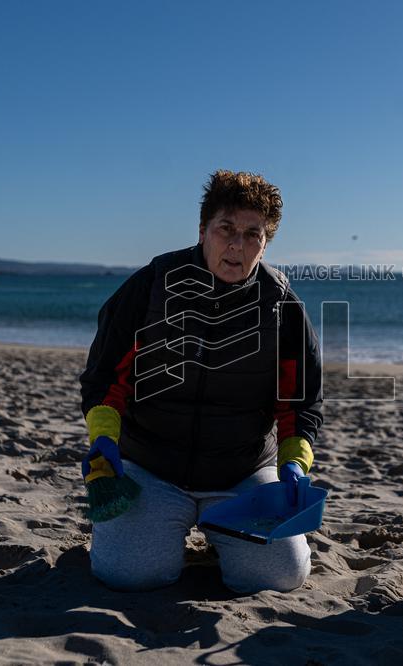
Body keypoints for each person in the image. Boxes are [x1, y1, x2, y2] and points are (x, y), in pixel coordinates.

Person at [79, 170, 323, 593]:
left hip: (241, 474)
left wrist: (295, 463)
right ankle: (155, 532)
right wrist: (103, 440)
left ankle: (221, 536)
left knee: (281, 575)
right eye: (225, 229)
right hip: (152, 467)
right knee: (128, 574)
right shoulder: (152, 286)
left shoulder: (282, 304)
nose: (237, 245)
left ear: (265, 244)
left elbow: (299, 403)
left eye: (252, 235)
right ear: (202, 230)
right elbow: (105, 377)